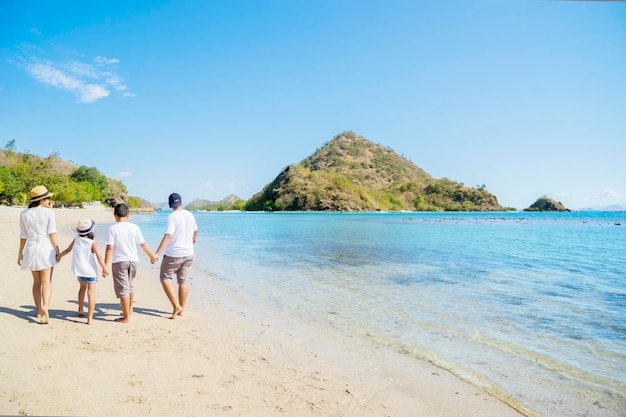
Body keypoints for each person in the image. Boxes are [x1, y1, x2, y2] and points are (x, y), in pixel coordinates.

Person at [104, 203, 157, 323]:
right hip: (133, 261)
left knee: (123, 289)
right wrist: (152, 256)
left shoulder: (113, 229)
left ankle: (126, 317)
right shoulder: (134, 227)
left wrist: (105, 266)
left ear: (115, 215)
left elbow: (110, 248)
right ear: (129, 215)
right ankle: (130, 308)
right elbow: (143, 244)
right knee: (130, 285)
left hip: (119, 261)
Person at [17, 185, 60, 324]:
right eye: (48, 198)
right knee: (46, 281)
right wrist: (57, 249)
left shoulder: (24, 214)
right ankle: (45, 307)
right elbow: (52, 233)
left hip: (31, 248)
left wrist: (20, 253)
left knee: (36, 282)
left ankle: (37, 310)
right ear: (42, 199)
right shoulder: (49, 213)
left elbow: (23, 235)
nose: (49, 200)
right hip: (46, 249)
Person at [153, 193, 198, 319]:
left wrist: (157, 253)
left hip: (174, 254)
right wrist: (193, 239)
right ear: (181, 202)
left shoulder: (172, 217)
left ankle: (176, 306)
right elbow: (195, 230)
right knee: (183, 280)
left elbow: (168, 235)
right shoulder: (190, 214)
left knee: (165, 278)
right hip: (189, 253)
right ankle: (182, 310)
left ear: (170, 205)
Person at [57, 219, 108, 325]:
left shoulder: (76, 239)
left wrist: (59, 256)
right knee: (91, 294)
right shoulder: (92, 243)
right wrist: (105, 268)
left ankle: (80, 309)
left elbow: (68, 250)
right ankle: (89, 319)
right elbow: (99, 257)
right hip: (90, 271)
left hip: (80, 270)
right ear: (91, 231)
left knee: (82, 288)